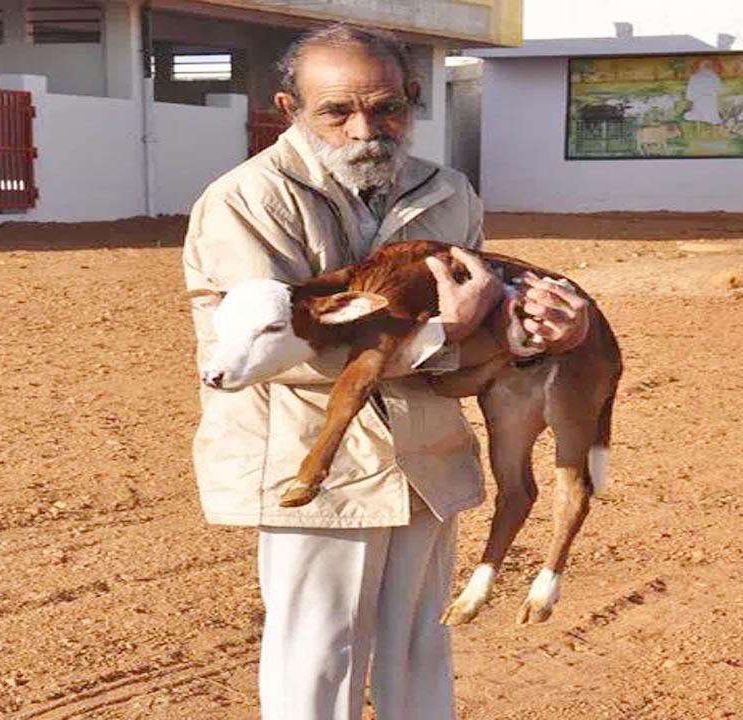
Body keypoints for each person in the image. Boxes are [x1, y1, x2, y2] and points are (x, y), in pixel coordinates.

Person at [182, 24, 590, 720]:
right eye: (335, 111)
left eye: (386, 108)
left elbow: (481, 330)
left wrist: (533, 337)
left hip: (423, 456)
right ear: (290, 110)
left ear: (414, 99)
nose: (364, 129)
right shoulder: (248, 201)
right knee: (318, 656)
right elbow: (259, 352)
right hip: (307, 461)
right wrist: (441, 331)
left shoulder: (448, 192)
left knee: (419, 649)